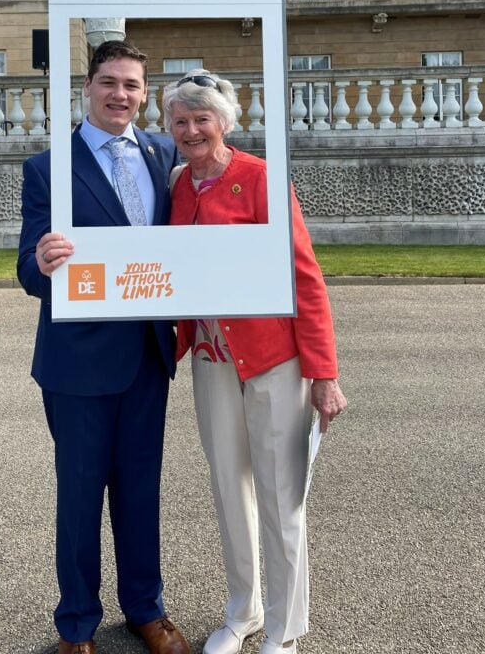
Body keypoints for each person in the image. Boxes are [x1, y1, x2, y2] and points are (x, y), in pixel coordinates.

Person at [162, 70, 347, 654]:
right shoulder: (178, 184)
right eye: (181, 120)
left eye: (202, 118)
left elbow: (304, 278)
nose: (192, 129)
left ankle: (286, 631)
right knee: (228, 489)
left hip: (273, 359)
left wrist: (324, 374)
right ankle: (243, 611)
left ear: (225, 122)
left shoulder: (262, 177)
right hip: (212, 358)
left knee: (281, 494)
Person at [17, 40, 191, 654]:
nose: (122, 94)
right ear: (87, 88)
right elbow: (29, 272)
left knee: (142, 488)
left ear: (145, 94)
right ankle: (77, 626)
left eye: (133, 85)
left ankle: (147, 609)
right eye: (110, 82)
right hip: (78, 362)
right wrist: (41, 261)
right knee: (81, 493)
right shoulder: (48, 167)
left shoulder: (164, 152)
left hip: (148, 354)